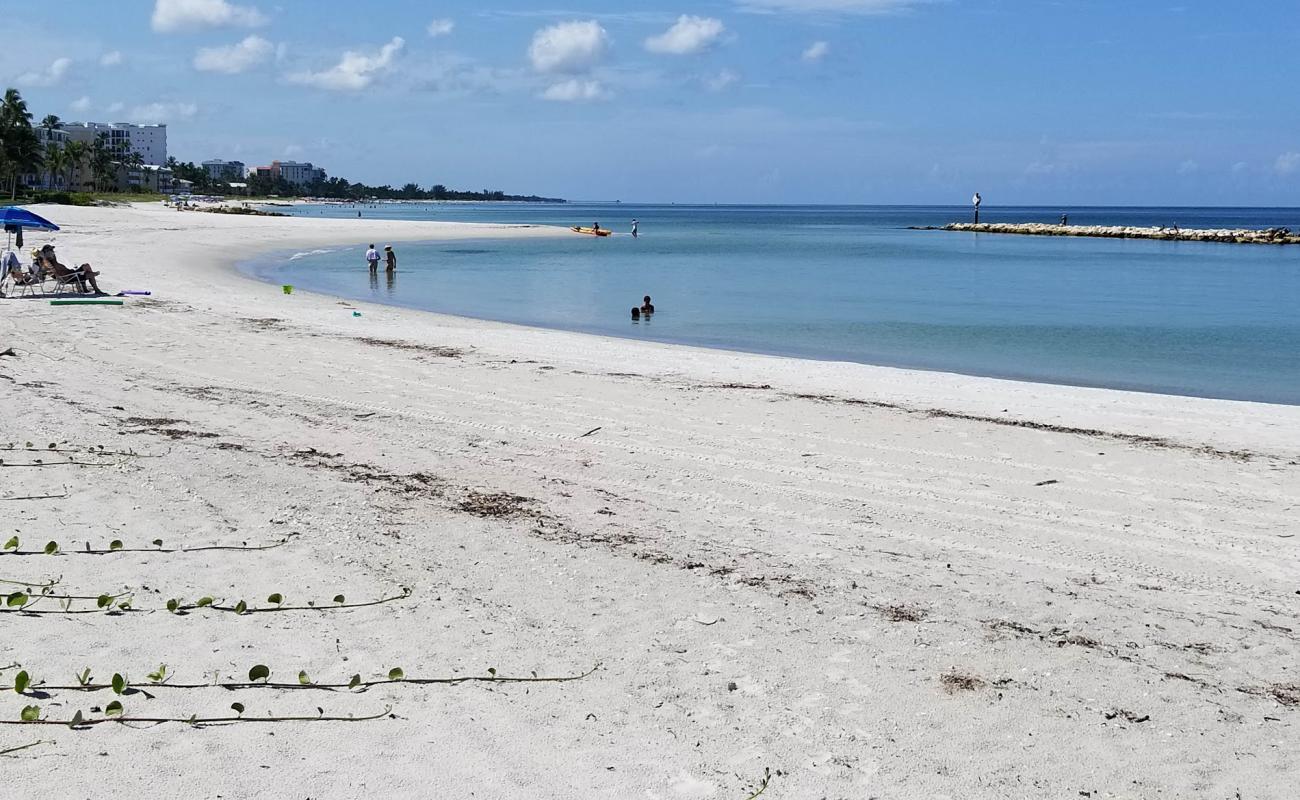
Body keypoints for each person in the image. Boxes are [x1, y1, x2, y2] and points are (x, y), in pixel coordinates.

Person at [37, 244, 103, 294]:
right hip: (70, 277)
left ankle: (92, 289)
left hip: (71, 274)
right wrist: (43, 256)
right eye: (51, 250)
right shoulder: (49, 264)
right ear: (47, 253)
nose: (53, 252)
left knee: (87, 271)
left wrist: (44, 255)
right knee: (86, 266)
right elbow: (55, 272)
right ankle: (95, 289)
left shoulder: (52, 262)